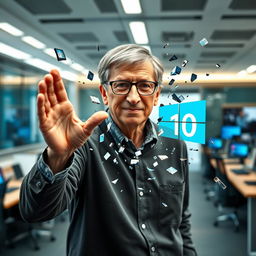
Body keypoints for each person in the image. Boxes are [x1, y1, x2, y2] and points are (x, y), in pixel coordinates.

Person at [19, 44, 197, 256]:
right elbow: (36, 211)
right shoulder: (83, 145)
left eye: (145, 85)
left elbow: (181, 221)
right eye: (121, 85)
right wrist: (59, 155)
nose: (133, 97)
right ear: (104, 93)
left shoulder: (175, 145)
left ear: (156, 94)